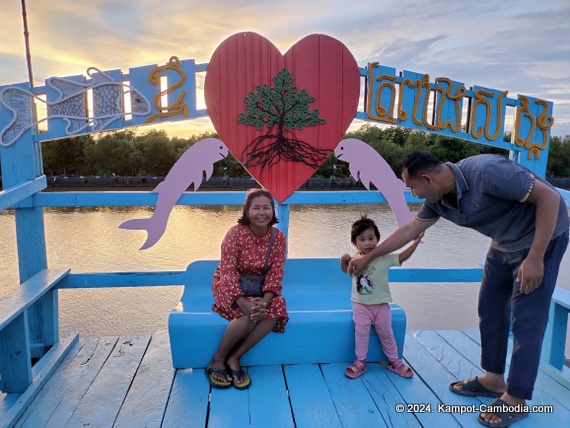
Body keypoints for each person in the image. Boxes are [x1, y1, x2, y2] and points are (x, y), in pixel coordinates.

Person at [347, 151, 569, 427]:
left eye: (413, 187)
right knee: (489, 307)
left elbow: (551, 198)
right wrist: (368, 257)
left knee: (527, 319)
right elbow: (408, 230)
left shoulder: (487, 172)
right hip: (503, 242)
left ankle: (516, 397)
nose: (413, 194)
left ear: (427, 178)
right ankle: (494, 379)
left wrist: (536, 257)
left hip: (541, 239)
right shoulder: (437, 200)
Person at [207, 188, 288, 390]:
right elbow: (227, 270)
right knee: (249, 313)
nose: (262, 213)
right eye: (256, 208)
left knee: (277, 306)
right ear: (247, 210)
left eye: (266, 207)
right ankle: (217, 360)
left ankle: (235, 356)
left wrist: (266, 300)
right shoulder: (234, 235)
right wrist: (243, 302)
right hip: (230, 285)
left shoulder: (278, 238)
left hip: (260, 287)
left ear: (273, 210)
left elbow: (275, 272)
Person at [341, 215, 422, 379]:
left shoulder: (384, 258)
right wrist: (344, 260)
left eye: (371, 238)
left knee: (387, 333)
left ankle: (395, 361)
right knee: (361, 334)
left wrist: (415, 243)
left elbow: (402, 257)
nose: (368, 243)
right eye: (362, 239)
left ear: (378, 239)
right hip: (360, 305)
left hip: (381, 305)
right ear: (355, 243)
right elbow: (347, 271)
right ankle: (360, 362)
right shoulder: (355, 259)